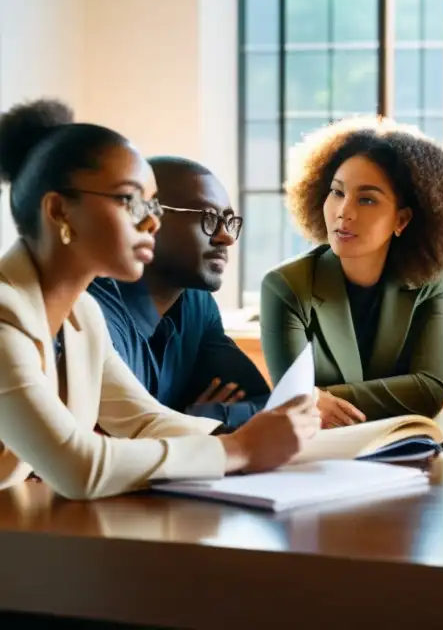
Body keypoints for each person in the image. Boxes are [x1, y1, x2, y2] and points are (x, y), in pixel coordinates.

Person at [0, 99, 318, 500]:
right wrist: (239, 448)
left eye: (153, 204)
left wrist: (297, 445)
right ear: (60, 211)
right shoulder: (5, 315)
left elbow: (145, 422)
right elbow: (79, 467)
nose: (152, 222)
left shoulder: (82, 315)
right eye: (130, 201)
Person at [260, 117, 443, 426]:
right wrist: (304, 399)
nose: (344, 210)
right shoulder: (285, 286)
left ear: (401, 220)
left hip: (402, 449)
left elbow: (429, 391)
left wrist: (318, 397)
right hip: (319, 455)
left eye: (367, 199)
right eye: (337, 192)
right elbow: (293, 403)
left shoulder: (430, 281)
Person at [87, 156, 269, 431]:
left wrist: (206, 416)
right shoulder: (93, 306)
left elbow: (263, 403)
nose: (226, 237)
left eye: (229, 221)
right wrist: (188, 423)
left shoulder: (197, 303)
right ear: (147, 218)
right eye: (208, 217)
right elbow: (119, 434)